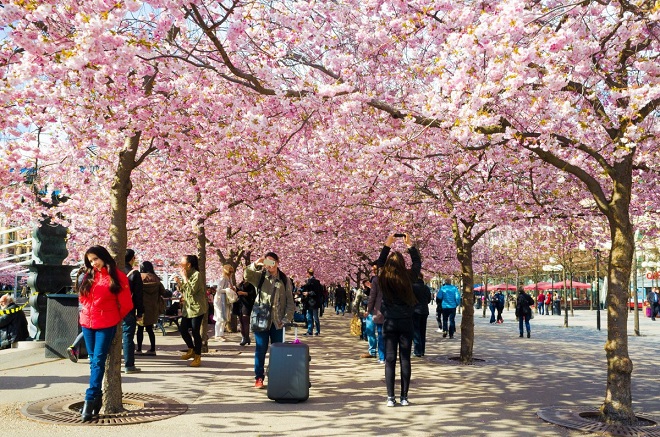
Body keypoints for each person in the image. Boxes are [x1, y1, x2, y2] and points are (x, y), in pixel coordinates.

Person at [78, 245, 133, 422]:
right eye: (90, 260)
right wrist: (86, 311)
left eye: (95, 259)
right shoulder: (89, 275)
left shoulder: (117, 276)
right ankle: (97, 398)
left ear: (103, 257)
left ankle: (90, 398)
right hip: (87, 322)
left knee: (98, 360)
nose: (93, 263)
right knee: (93, 361)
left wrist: (113, 317)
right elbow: (82, 297)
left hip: (105, 323)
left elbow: (126, 304)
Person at [376, 233, 420, 407]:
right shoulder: (409, 277)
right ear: (403, 264)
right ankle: (404, 397)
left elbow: (379, 263)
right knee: (405, 359)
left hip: (390, 323)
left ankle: (390, 398)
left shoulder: (383, 278)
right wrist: (411, 246)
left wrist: (387, 245)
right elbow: (417, 263)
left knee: (390, 359)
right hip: (406, 322)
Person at [245, 251, 295, 389]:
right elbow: (247, 275)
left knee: (277, 351)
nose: (270, 265)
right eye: (267, 262)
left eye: (272, 262)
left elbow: (290, 303)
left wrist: (286, 319)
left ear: (278, 262)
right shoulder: (260, 276)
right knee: (260, 349)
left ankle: (275, 376)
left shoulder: (285, 280)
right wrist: (256, 263)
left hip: (278, 321)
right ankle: (259, 377)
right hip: (261, 319)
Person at [175, 255, 208, 367]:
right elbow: (185, 291)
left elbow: (192, 291)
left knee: (195, 331)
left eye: (182, 263)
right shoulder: (188, 274)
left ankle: (198, 356)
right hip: (188, 308)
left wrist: (184, 278)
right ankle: (191, 349)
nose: (180, 264)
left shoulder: (196, 275)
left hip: (197, 308)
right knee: (183, 329)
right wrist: (179, 283)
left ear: (189, 265)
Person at [122, 249, 144, 374]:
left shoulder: (114, 271)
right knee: (128, 336)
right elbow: (138, 295)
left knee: (111, 335)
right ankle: (129, 365)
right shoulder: (134, 273)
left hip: (113, 309)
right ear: (132, 258)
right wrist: (140, 312)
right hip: (128, 309)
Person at [138, 261, 166, 356]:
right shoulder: (156, 279)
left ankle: (138, 349)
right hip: (153, 307)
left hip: (141, 307)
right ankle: (153, 349)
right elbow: (163, 292)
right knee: (150, 329)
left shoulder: (139, 277)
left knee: (140, 329)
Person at [365, 266, 385, 363]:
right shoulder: (394, 278)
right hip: (391, 310)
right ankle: (387, 355)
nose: (373, 271)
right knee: (387, 334)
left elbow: (372, 297)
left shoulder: (376, 280)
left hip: (379, 310)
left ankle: (382, 357)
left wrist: (368, 310)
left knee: (380, 333)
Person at [412, 273, 431, 357]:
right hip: (424, 311)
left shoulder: (412, 287)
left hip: (415, 311)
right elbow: (429, 300)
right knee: (422, 331)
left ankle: (417, 351)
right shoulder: (426, 288)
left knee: (416, 331)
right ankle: (422, 350)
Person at [214, 264, 235, 341]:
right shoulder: (223, 279)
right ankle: (217, 335)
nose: (231, 273)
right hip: (220, 300)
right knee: (219, 317)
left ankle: (221, 334)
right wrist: (227, 290)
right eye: (230, 271)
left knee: (224, 317)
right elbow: (218, 290)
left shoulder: (229, 279)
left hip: (225, 300)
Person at [236, 278, 257, 346]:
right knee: (241, 321)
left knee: (245, 321)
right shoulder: (241, 283)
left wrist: (243, 293)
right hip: (240, 304)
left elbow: (253, 294)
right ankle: (244, 337)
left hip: (247, 305)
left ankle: (246, 337)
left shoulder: (251, 284)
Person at [301, 268, 322, 336]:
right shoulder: (310, 281)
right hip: (310, 302)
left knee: (314, 317)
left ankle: (316, 331)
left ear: (308, 273)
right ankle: (311, 331)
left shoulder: (315, 282)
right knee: (310, 317)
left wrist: (308, 293)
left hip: (313, 302)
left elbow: (317, 292)